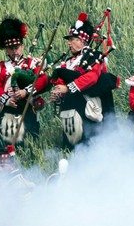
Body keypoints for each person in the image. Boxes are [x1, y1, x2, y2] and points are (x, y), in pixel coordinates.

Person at [33, 12, 119, 149]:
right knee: (71, 145)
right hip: (70, 110)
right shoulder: (67, 62)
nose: (69, 43)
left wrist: (68, 88)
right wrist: (58, 93)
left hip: (87, 108)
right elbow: (61, 81)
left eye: (72, 39)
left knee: (89, 144)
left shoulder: (93, 56)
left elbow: (92, 77)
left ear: (82, 40)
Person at [0, 15, 43, 145]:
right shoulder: (0, 67)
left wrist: (26, 92)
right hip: (9, 109)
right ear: (6, 50)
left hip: (28, 108)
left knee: (31, 142)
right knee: (9, 145)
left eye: (17, 47)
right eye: (11, 49)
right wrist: (7, 100)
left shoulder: (33, 63)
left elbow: (41, 81)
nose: (15, 52)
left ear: (22, 46)